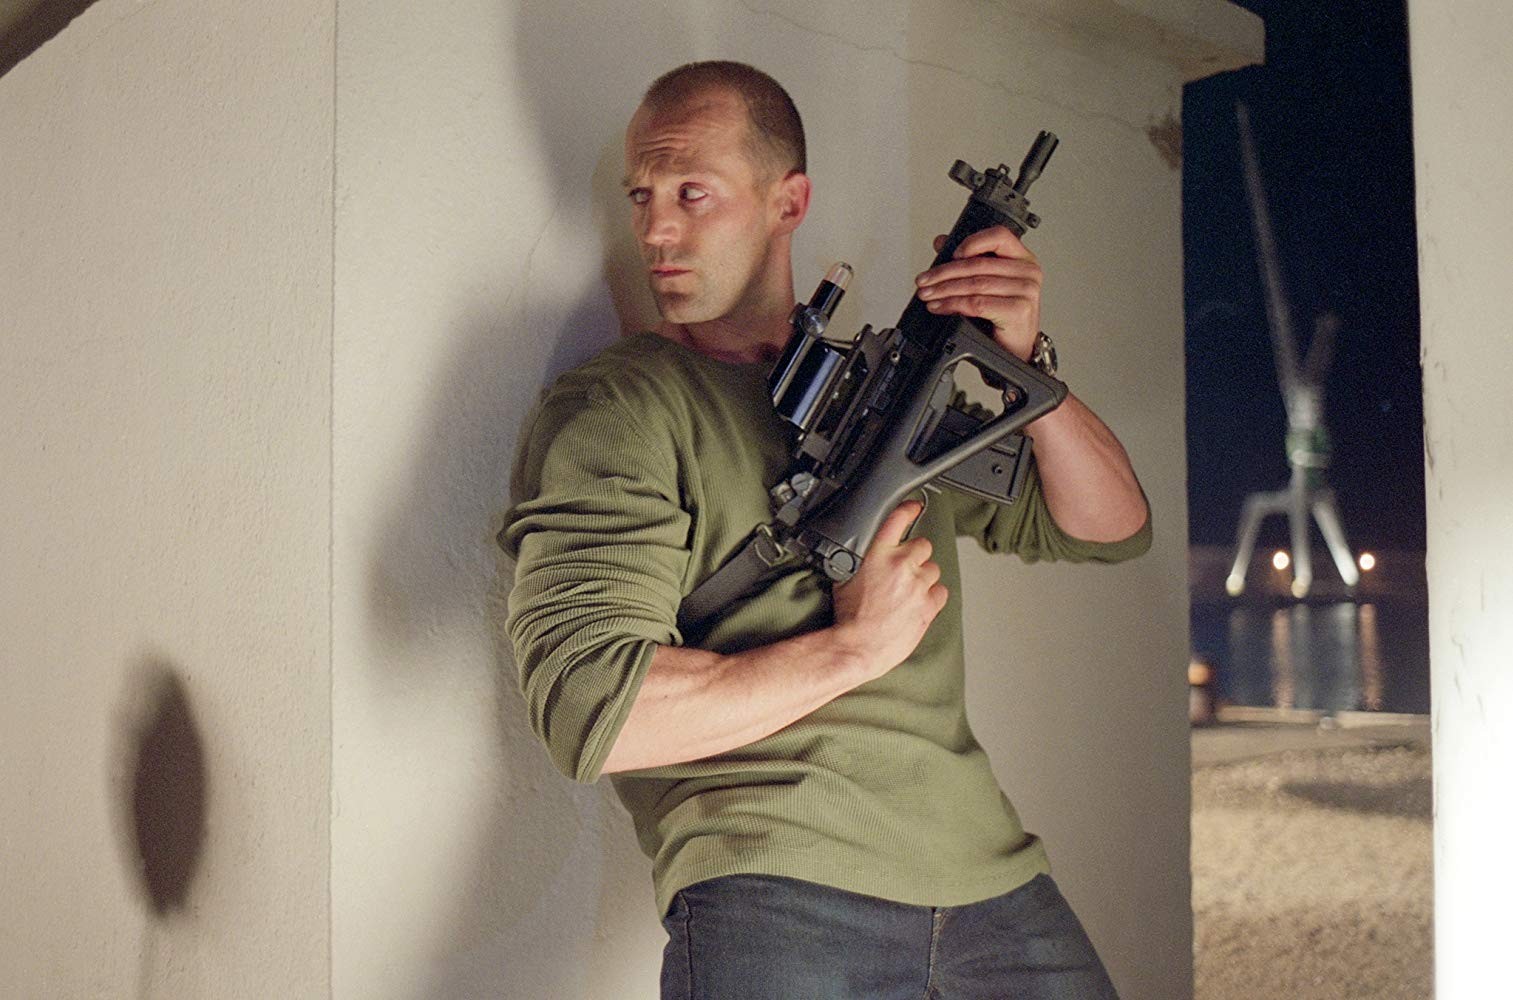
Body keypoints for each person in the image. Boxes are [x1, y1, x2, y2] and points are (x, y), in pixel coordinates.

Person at [499, 60, 1151, 1000]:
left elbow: (1109, 527)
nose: (655, 229)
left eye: (691, 193)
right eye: (642, 196)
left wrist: (1024, 370)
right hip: (774, 890)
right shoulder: (623, 406)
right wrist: (854, 649)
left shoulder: (881, 396)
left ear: (788, 202)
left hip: (993, 878)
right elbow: (591, 709)